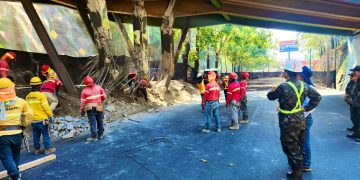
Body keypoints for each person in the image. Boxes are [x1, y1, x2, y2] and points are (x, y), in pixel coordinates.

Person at [267, 61, 321, 179]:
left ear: (287, 73)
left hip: (288, 122)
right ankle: (297, 170)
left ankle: (297, 175)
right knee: (298, 145)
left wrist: (272, 89)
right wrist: (306, 108)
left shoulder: (283, 87)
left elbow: (270, 97)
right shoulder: (304, 85)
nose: (283, 73)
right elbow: (317, 97)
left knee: (289, 147)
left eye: (284, 71)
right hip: (301, 119)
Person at [0, 78, 33, 180]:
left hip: (2, 135)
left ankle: (14, 175)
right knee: (15, 154)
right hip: (17, 133)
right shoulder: (20, 101)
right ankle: (15, 172)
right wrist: (24, 124)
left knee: (6, 156)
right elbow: (29, 115)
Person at [26, 77, 56, 155]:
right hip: (42, 120)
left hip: (33, 120)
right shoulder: (41, 96)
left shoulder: (28, 96)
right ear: (38, 86)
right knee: (45, 134)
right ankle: (48, 149)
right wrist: (50, 115)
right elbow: (46, 107)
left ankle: (37, 150)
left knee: (35, 135)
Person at [298, 66, 315, 172]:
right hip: (301, 118)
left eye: (299, 74)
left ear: (302, 76)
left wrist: (302, 114)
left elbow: (311, 106)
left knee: (305, 142)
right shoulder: (303, 86)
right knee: (301, 141)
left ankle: (307, 164)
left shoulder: (309, 87)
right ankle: (303, 162)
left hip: (305, 118)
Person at [80, 76, 106, 142]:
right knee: (100, 121)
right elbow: (104, 97)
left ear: (85, 83)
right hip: (99, 106)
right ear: (92, 81)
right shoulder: (99, 87)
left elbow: (83, 102)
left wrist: (82, 110)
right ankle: (101, 135)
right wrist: (100, 100)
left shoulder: (84, 91)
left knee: (93, 123)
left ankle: (94, 137)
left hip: (90, 108)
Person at [347, 65, 360, 142]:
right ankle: (356, 133)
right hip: (356, 103)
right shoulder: (358, 80)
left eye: (355, 71)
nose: (353, 73)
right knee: (355, 118)